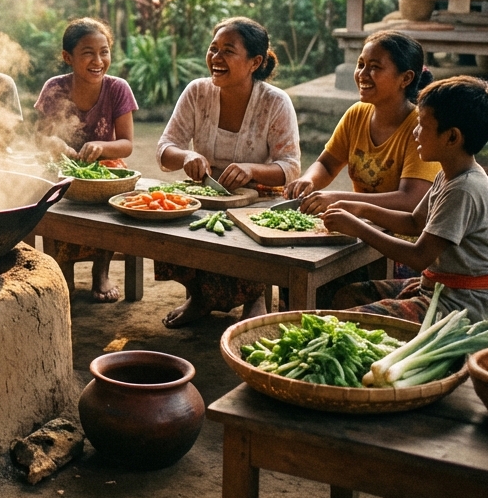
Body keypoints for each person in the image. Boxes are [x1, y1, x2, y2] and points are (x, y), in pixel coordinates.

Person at [155, 17, 301, 328]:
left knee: (247, 233)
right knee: (170, 222)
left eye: (228, 51)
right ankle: (199, 298)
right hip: (206, 193)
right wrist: (187, 155)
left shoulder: (275, 102)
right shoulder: (197, 92)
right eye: (213, 49)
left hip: (259, 197)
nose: (216, 58)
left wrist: (251, 170)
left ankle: (255, 298)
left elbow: (290, 167)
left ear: (254, 62)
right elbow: (165, 149)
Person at [323, 76, 488, 323]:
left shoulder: (464, 189)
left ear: (452, 137)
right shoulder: (448, 174)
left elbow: (418, 257)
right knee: (347, 295)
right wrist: (361, 208)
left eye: (422, 125)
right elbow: (414, 222)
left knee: (353, 321)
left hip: (458, 303)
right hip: (436, 286)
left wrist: (357, 227)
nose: (415, 132)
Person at [35, 18, 137, 302]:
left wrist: (101, 147)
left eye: (104, 52)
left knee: (111, 199)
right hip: (64, 168)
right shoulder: (54, 88)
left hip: (105, 168)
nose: (98, 61)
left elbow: (127, 145)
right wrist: (53, 143)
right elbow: (39, 137)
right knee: (54, 195)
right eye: (88, 53)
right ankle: (63, 271)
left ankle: (101, 271)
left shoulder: (117, 88)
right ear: (68, 57)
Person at [283, 30, 438, 214]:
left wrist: (339, 199)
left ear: (406, 78)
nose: (362, 74)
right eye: (361, 64)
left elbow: (410, 200)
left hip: (402, 231)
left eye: (374, 67)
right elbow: (327, 165)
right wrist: (308, 180)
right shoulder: (357, 114)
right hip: (360, 224)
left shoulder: (421, 127)